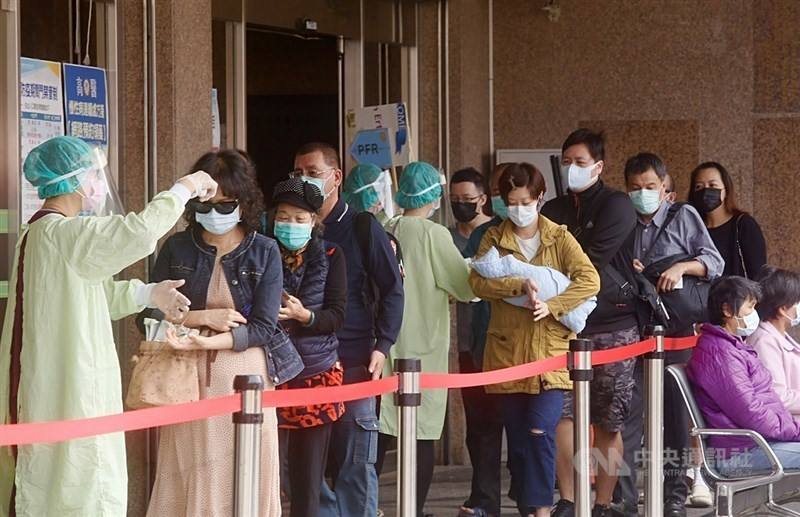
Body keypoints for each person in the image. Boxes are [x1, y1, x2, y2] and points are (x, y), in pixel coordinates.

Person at [0, 135, 218, 516]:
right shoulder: (63, 233)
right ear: (75, 180)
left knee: (60, 483)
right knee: (75, 487)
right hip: (67, 393)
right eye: (92, 175)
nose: (97, 185)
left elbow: (91, 295)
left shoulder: (41, 234)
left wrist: (148, 294)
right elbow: (140, 232)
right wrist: (186, 187)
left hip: (51, 389)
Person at [146, 149, 300, 517]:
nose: (214, 213)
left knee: (243, 465)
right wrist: (203, 318)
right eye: (206, 205)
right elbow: (148, 313)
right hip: (185, 375)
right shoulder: (177, 246)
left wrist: (211, 338)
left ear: (243, 202)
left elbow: (264, 326)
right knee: (188, 465)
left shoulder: (264, 250)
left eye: (225, 204)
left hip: (244, 375)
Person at [470, 163, 600, 517]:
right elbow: (478, 282)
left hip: (549, 355)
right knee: (520, 442)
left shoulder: (559, 237)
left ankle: (542, 509)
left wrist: (553, 305)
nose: (518, 209)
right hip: (507, 354)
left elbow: (590, 280)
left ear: (539, 198)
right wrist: (517, 284)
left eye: (525, 201)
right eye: (511, 202)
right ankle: (529, 506)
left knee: (540, 431)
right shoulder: (494, 237)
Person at [287, 143, 404, 517]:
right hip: (303, 365)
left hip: (354, 360)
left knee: (355, 460)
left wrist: (382, 344)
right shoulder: (290, 229)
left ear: (336, 178)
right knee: (303, 468)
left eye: (312, 173)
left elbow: (392, 289)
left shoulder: (362, 227)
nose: (303, 181)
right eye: (297, 174)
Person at [617, 153, 725, 517]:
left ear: (665, 187)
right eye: (635, 188)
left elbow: (714, 262)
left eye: (650, 187)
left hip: (676, 328)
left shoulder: (684, 216)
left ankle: (674, 495)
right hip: (634, 327)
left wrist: (681, 266)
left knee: (676, 414)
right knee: (629, 413)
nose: (642, 194)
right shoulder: (622, 221)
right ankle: (626, 497)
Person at [541, 129, 640, 517]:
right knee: (562, 416)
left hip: (613, 323)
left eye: (580, 163)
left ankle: (603, 501)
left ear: (599, 166)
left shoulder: (617, 204)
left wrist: (555, 276)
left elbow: (591, 263)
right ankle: (568, 498)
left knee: (609, 422)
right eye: (567, 162)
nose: (572, 169)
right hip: (563, 328)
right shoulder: (554, 208)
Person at [377, 161, 476, 517]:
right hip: (424, 348)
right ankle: (412, 510)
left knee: (382, 430)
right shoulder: (434, 235)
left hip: (386, 346)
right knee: (419, 437)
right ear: (435, 195)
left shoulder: (386, 228)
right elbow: (464, 286)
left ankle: (370, 507)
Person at [267, 178, 348, 517]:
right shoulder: (260, 250)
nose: (290, 225)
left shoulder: (332, 254)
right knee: (266, 472)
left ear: (315, 222)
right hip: (269, 374)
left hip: (316, 376)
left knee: (307, 477)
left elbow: (337, 315)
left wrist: (306, 315)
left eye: (300, 219)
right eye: (284, 217)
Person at [687, 276, 800, 475]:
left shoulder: (731, 347)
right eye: (749, 307)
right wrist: (795, 430)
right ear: (727, 310)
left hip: (758, 442)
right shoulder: (720, 354)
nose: (754, 314)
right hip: (742, 451)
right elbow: (750, 411)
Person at [448, 167, 501, 517]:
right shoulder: (445, 237)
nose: (461, 205)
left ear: (483, 199)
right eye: (455, 200)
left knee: (497, 424)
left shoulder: (496, 232)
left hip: (497, 338)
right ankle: (483, 497)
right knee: (478, 425)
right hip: (466, 342)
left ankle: (491, 496)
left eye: (468, 200)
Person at [688, 161, 766, 278]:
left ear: (726, 190)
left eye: (712, 185)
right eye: (699, 186)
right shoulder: (691, 228)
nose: (705, 191)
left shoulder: (743, 224)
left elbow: (759, 273)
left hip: (736, 295)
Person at [749, 266, 800, 415]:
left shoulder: (779, 336)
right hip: (790, 426)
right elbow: (778, 397)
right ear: (783, 309)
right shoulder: (764, 342)